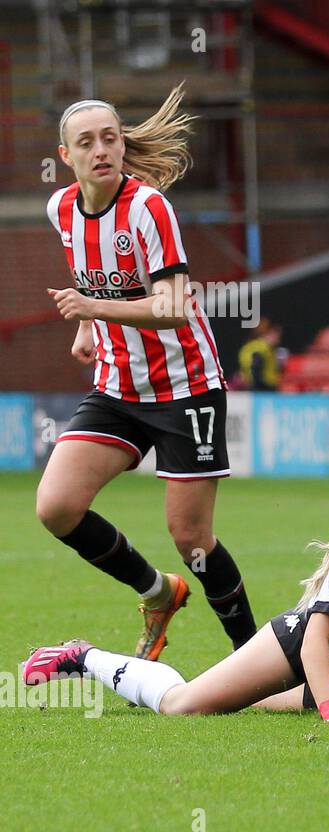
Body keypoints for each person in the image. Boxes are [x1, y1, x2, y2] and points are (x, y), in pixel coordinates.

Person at [38, 85, 256, 660]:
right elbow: (93, 276)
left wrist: (93, 310)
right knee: (56, 507)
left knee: (192, 540)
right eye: (86, 142)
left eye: (110, 138)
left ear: (121, 143)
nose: (101, 149)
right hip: (117, 386)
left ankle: (256, 661)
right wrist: (89, 326)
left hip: (187, 389)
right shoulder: (61, 208)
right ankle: (158, 593)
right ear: (67, 156)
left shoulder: (148, 208)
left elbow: (171, 306)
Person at [23, 477, 329, 723]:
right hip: (310, 653)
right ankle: (83, 657)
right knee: (185, 705)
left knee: (238, 707)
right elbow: (317, 637)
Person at [238, 318, 283, 391]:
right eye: (276, 333)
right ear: (268, 332)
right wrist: (258, 386)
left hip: (259, 387)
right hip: (262, 388)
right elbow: (255, 368)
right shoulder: (262, 348)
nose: (278, 338)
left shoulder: (252, 346)